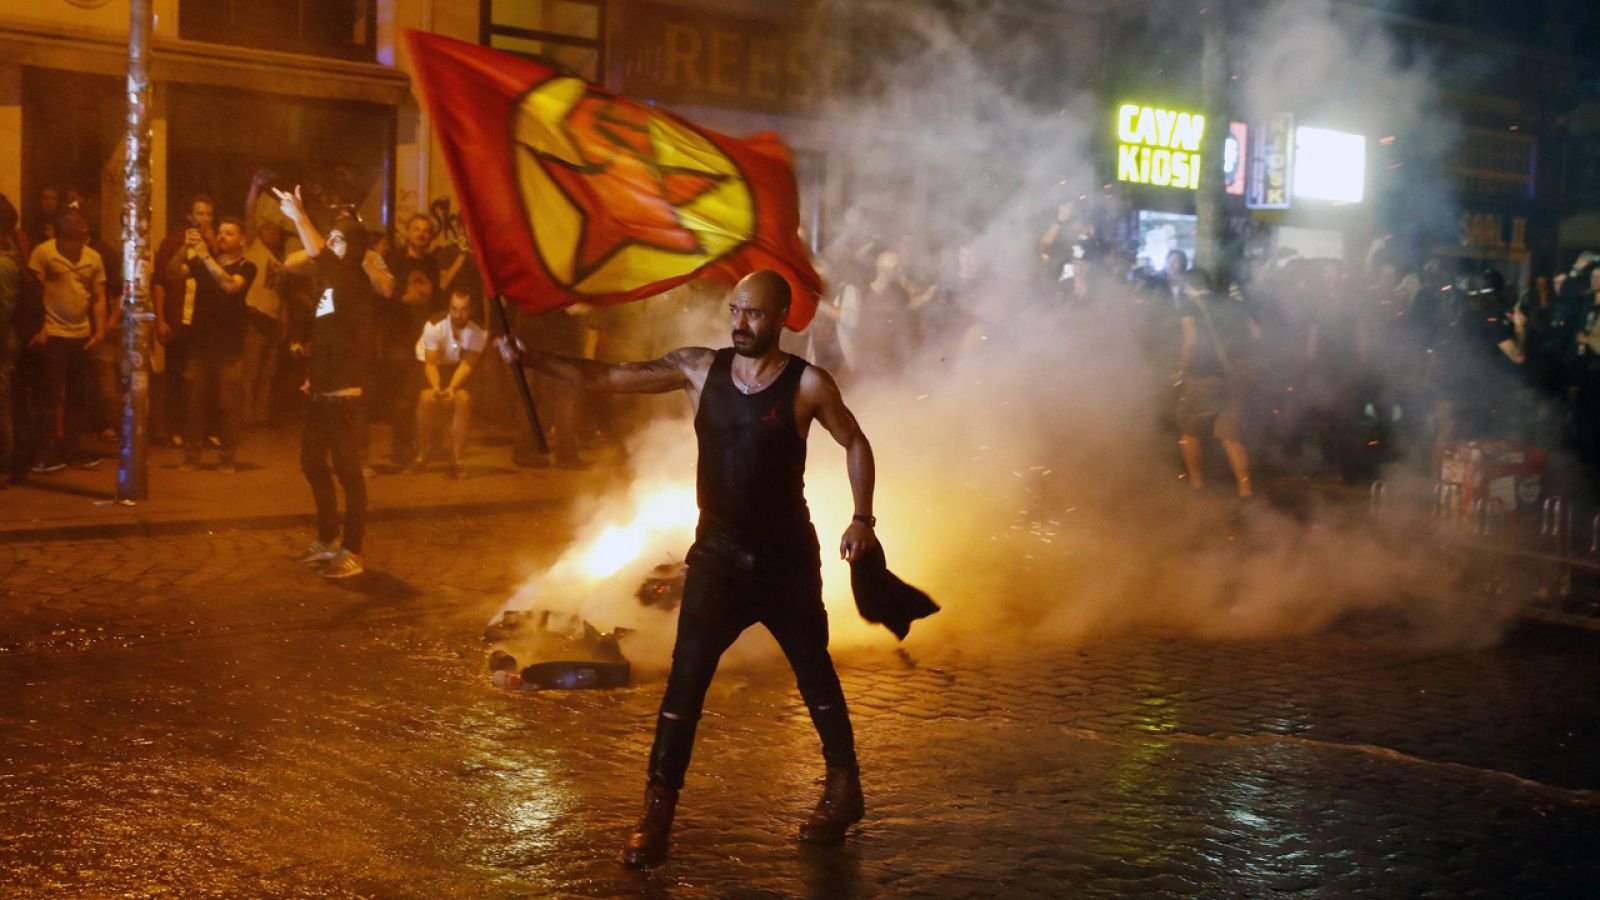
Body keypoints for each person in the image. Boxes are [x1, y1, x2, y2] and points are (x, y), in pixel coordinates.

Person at [501, 270, 878, 868]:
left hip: (786, 560)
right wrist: (532, 358)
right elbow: (608, 378)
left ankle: (845, 789)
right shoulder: (699, 369)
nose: (740, 323)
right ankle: (656, 816)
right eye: (735, 311)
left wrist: (863, 518)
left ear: (782, 318)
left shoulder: (807, 384)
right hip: (717, 558)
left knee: (815, 676)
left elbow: (855, 441)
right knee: (684, 687)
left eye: (754, 314)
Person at [277, 186, 380, 580]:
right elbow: (329, 335)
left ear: (352, 248)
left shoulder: (352, 278)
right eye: (331, 236)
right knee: (311, 463)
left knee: (349, 473)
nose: (330, 242)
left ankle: (352, 551)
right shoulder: (330, 283)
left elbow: (318, 253)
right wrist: (312, 376)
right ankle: (326, 539)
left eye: (338, 238)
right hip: (323, 390)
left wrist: (298, 214)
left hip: (346, 395)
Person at [24, 211, 107, 473]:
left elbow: (99, 296)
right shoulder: (44, 253)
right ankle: (45, 452)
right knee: (49, 396)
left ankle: (71, 449)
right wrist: (40, 326)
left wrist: (100, 331)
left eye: (80, 238)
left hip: (80, 334)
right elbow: (34, 292)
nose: (75, 244)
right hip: (54, 333)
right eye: (70, 237)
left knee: (77, 396)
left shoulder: (92, 258)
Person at [179, 216, 256, 473]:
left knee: (229, 404)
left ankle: (227, 456)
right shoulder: (202, 261)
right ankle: (191, 455)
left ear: (241, 240)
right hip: (201, 344)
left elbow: (230, 286)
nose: (222, 237)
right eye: (220, 233)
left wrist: (205, 256)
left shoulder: (247, 267)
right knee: (192, 401)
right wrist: (186, 246)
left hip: (230, 347)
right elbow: (171, 273)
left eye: (229, 233)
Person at [1177, 269, 1259, 498]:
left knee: (1189, 429)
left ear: (1188, 286)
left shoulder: (1190, 306)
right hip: (1234, 376)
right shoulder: (1233, 304)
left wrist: (1181, 370)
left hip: (1204, 378)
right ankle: (1246, 491)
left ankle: (1195, 484)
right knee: (1231, 436)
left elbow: (1190, 341)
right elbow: (1256, 333)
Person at [154, 195, 218, 448]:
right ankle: (175, 429)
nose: (204, 219)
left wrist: (211, 243)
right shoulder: (173, 241)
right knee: (176, 377)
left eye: (208, 214)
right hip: (178, 318)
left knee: (206, 377)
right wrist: (160, 319)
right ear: (190, 216)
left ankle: (205, 430)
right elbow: (161, 280)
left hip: (204, 322)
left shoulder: (216, 241)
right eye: (199, 214)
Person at [410, 287, 485, 477]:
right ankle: (421, 457)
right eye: (454, 309)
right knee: (427, 398)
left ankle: (456, 459)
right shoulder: (434, 325)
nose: (458, 315)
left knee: (463, 400)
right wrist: (436, 387)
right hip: (432, 364)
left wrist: (452, 387)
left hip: (456, 367)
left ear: (471, 309)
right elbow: (430, 364)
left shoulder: (477, 332)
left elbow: (467, 365)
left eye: (463, 309)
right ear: (449, 308)